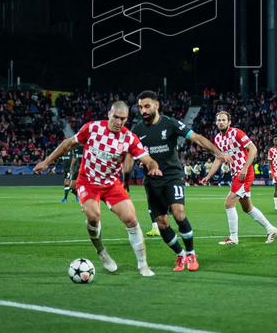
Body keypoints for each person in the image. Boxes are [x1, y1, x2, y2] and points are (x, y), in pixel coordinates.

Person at [34, 100, 162, 277]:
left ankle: (143, 265)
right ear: (109, 114)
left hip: (111, 185)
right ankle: (101, 251)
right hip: (88, 182)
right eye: (116, 117)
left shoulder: (129, 138)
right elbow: (67, 143)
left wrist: (153, 166)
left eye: (123, 119)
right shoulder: (93, 128)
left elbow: (148, 159)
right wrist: (46, 161)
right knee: (93, 217)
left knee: (131, 219)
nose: (119, 122)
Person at [129, 90, 231, 272]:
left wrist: (218, 152)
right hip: (152, 181)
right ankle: (180, 254)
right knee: (162, 223)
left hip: (172, 175)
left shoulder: (170, 123)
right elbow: (129, 154)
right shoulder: (137, 130)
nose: (143, 110)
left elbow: (197, 138)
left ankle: (191, 253)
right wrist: (124, 177)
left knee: (179, 213)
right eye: (140, 107)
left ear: (156, 105)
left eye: (147, 106)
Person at [200, 111, 277, 245]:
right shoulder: (218, 139)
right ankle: (271, 228)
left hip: (244, 173)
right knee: (247, 207)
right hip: (235, 173)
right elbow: (219, 159)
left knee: (229, 203)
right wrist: (208, 176)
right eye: (218, 120)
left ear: (229, 122)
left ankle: (233, 237)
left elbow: (253, 149)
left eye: (223, 120)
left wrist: (244, 168)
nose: (221, 122)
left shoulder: (236, 133)